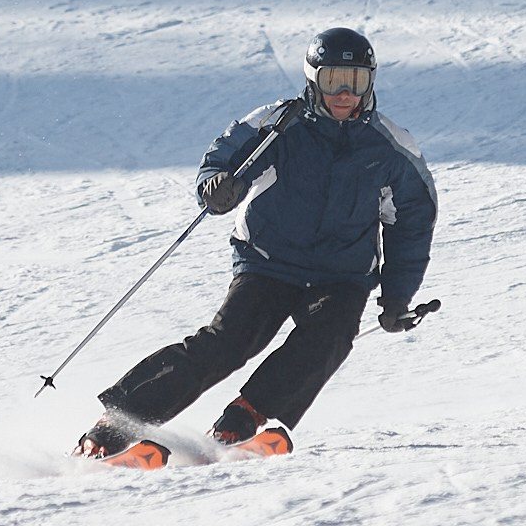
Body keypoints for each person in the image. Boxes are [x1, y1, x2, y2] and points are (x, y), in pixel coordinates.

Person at [76, 27, 438, 460]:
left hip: (342, 274)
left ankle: (242, 420)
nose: (344, 93)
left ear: (371, 82)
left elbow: (412, 221)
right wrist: (216, 186)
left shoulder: (389, 147)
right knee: (228, 342)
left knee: (330, 337)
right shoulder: (279, 125)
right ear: (312, 80)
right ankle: (116, 424)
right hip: (269, 263)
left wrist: (397, 296)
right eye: (332, 80)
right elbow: (222, 161)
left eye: (355, 81)